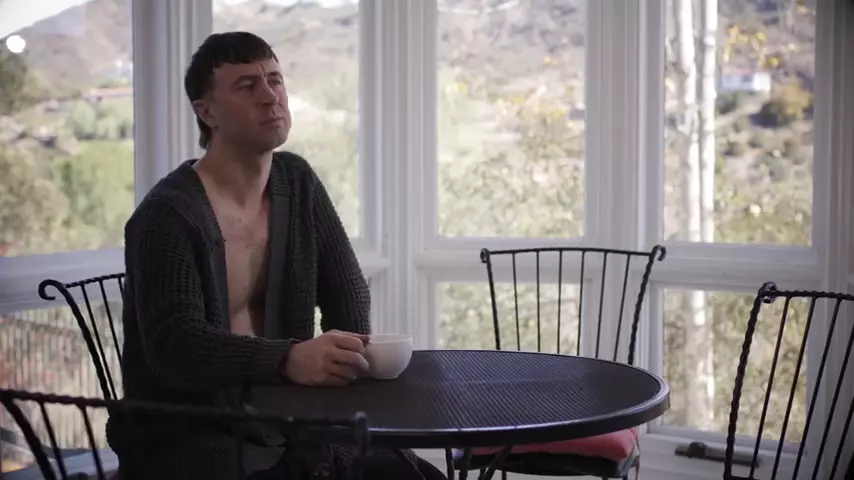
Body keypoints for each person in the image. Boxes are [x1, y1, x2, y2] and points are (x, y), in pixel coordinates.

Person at [106, 31, 446, 480]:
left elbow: (347, 291)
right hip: (191, 433)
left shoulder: (297, 180)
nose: (270, 96)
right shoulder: (167, 215)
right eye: (247, 86)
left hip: (290, 417)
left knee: (414, 475)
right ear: (206, 112)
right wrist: (288, 359)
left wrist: (344, 370)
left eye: (275, 79)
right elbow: (176, 348)